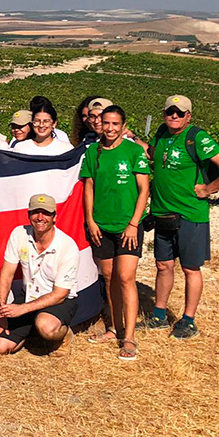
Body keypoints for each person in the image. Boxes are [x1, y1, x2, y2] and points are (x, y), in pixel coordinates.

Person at [141, 95, 219, 338]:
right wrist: (133, 139)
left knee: (190, 269)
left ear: (189, 116)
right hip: (163, 213)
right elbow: (154, 154)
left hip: (190, 215)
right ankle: (159, 316)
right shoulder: (162, 133)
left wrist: (208, 190)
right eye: (170, 112)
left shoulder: (197, 137)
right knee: (163, 265)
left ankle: (188, 320)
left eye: (179, 113)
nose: (174, 116)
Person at [80, 104, 150, 359]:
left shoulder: (133, 151)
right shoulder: (93, 152)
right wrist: (90, 220)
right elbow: (89, 186)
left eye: (115, 124)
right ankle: (114, 327)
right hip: (102, 225)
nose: (110, 128)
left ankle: (129, 337)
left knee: (126, 278)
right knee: (109, 277)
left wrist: (133, 224)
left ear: (123, 126)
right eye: (106, 123)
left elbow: (144, 189)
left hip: (128, 226)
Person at [0, 194, 79, 356]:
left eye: (46, 213)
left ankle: (63, 334)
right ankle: (30, 332)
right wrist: (0, 315)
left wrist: (21, 309)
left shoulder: (68, 246)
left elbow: (60, 295)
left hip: (59, 301)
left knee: (46, 327)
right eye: (35, 212)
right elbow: (6, 275)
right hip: (29, 297)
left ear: (54, 217)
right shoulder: (19, 234)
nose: (40, 217)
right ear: (28, 215)